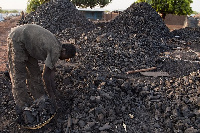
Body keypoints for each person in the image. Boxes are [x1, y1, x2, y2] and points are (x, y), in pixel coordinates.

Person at [7, 24, 76, 117]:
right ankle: (23, 106)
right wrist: (51, 96)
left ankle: (40, 99)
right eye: (66, 58)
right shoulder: (56, 51)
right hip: (18, 39)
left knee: (35, 73)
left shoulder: (57, 46)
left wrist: (54, 93)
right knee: (19, 75)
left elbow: (50, 74)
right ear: (64, 50)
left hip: (28, 44)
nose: (64, 60)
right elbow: (46, 76)